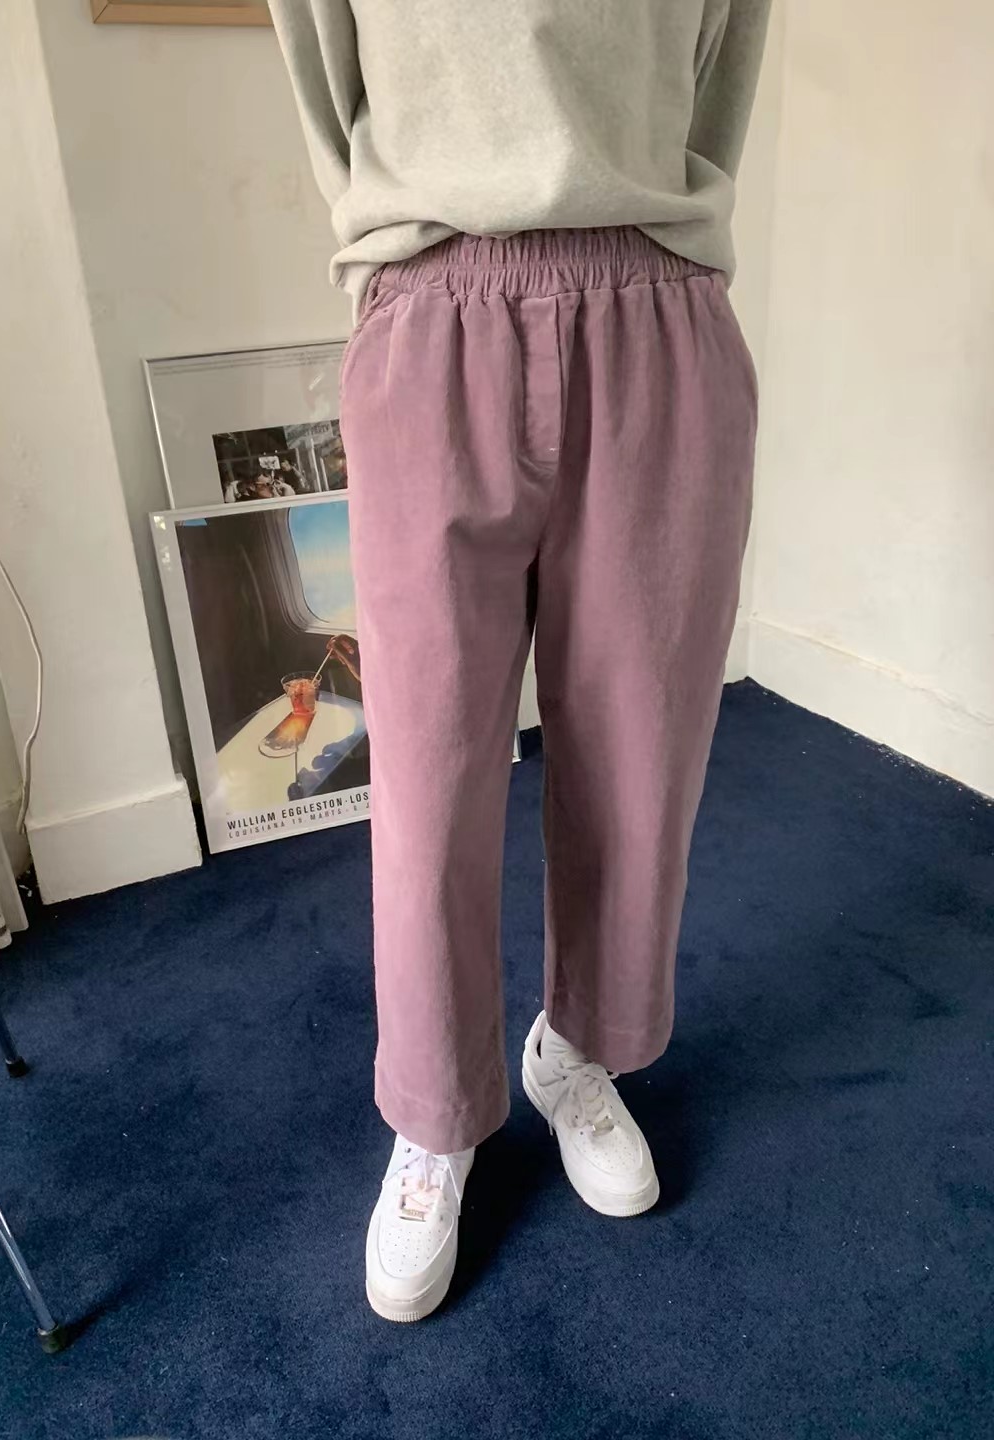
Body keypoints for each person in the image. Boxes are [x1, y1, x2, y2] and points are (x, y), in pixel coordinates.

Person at [270, 0, 772, 1322]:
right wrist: (395, 259)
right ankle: (435, 1109)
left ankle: (579, 1046)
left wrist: (656, 232)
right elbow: (321, 61)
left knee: (641, 751)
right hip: (434, 306)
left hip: (657, 308)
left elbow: (721, 63)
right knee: (429, 775)